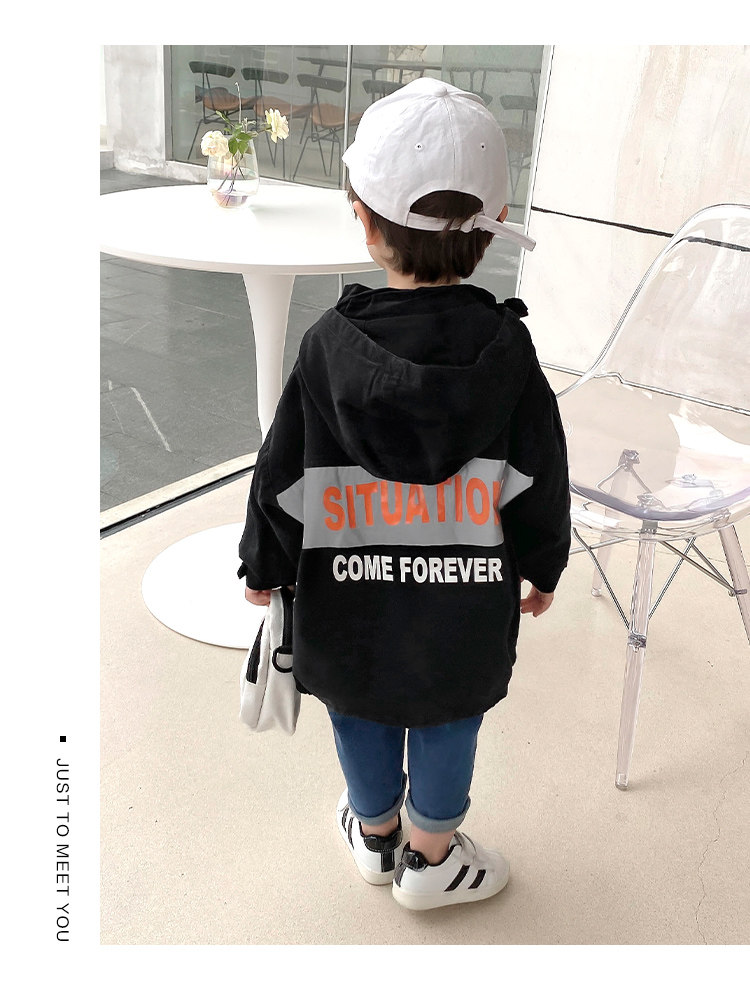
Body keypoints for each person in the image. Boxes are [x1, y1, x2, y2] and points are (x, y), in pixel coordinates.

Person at [238, 77, 570, 911]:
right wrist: (544, 563)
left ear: (363, 218)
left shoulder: (326, 349)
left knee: (358, 707)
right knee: (451, 711)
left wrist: (263, 564)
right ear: (493, 230)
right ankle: (432, 857)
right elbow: (543, 472)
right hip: (464, 610)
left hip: (347, 603)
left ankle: (377, 833)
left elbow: (281, 472)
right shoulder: (510, 354)